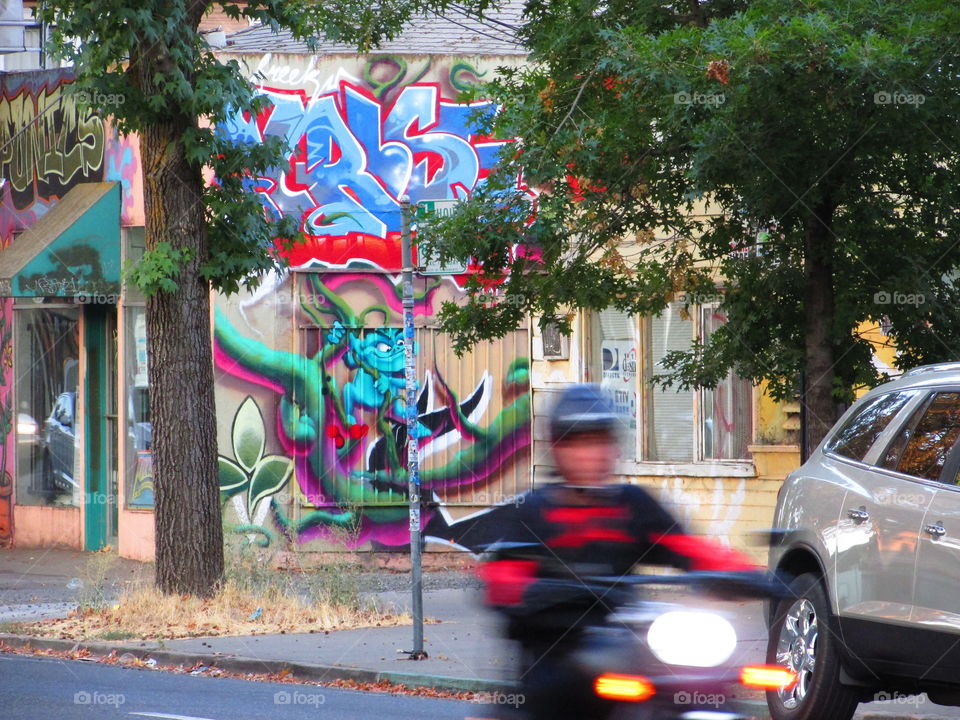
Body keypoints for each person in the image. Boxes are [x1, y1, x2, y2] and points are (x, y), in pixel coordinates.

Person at [477, 383, 759, 720]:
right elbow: (502, 572)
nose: (592, 454)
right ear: (558, 448)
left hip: (629, 640)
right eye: (580, 443)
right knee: (553, 691)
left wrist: (751, 574)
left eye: (600, 441)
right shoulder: (534, 512)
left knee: (706, 685)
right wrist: (528, 591)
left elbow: (689, 548)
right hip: (556, 650)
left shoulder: (634, 505)